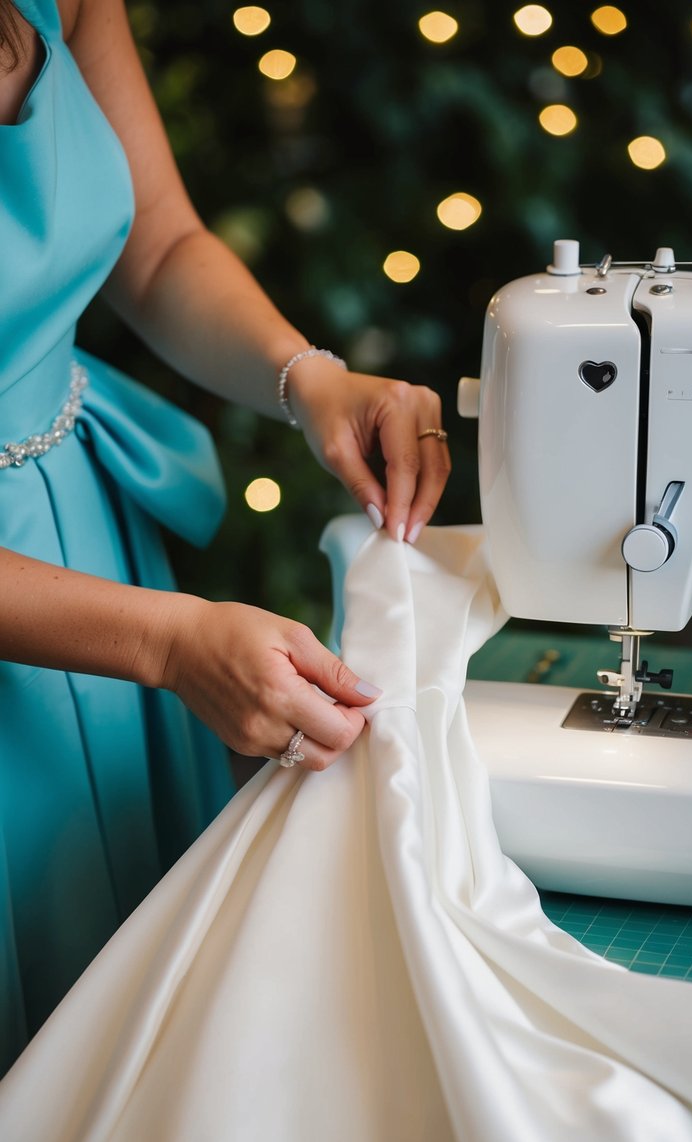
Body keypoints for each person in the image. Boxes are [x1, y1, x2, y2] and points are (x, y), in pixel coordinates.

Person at [0, 0, 450, 1073]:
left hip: (93, 547)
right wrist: (161, 643)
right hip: (97, 621)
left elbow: (156, 246)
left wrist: (312, 380)